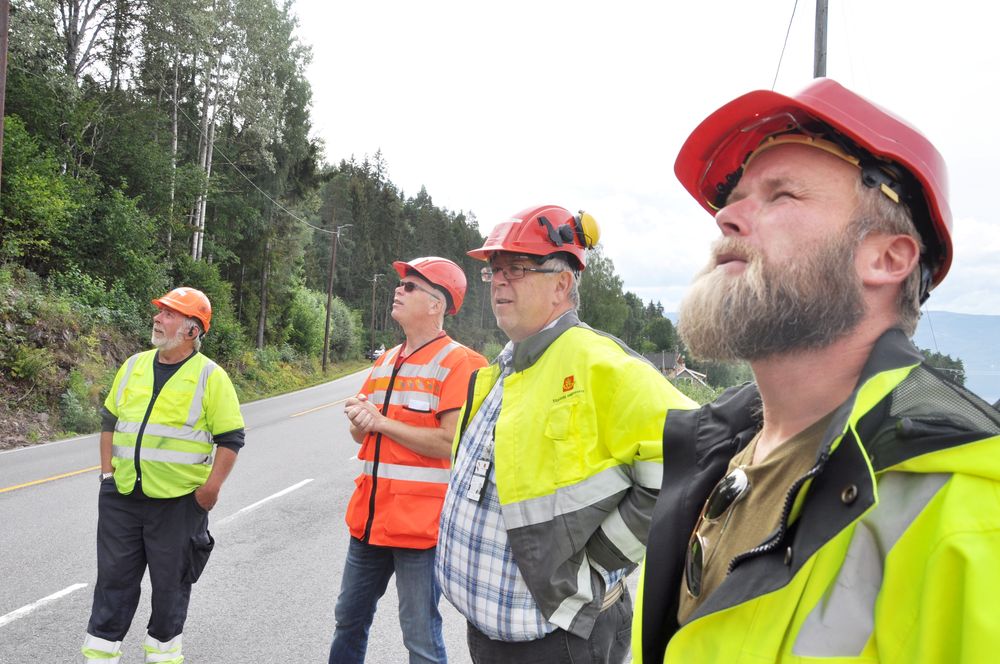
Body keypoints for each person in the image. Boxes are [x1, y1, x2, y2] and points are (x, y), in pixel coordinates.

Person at [633, 78, 1000, 662]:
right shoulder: (714, 447)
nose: (727, 215)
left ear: (886, 258)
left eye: (781, 196)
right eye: (735, 196)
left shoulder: (967, 513)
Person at [436, 205, 696, 663]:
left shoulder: (597, 363)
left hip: (560, 638)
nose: (499, 280)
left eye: (516, 268)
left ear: (561, 283)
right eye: (494, 271)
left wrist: (597, 564)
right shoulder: (507, 367)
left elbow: (691, 454)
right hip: (491, 632)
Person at [330, 256, 487, 664]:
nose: (399, 289)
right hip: (368, 522)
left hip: (420, 530)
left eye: (410, 286)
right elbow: (362, 435)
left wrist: (380, 422)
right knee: (348, 620)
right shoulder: (385, 361)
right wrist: (361, 420)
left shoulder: (461, 363)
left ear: (437, 304)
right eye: (401, 284)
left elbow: (451, 442)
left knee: (419, 636)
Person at [82, 287, 245, 664]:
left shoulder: (210, 377)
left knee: (170, 588)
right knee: (113, 582)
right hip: (121, 497)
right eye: (159, 311)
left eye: (169, 314)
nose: (157, 318)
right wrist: (107, 475)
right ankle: (99, 657)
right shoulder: (134, 365)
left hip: (178, 504)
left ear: (192, 330)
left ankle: (162, 656)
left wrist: (210, 491)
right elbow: (110, 420)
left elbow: (230, 438)